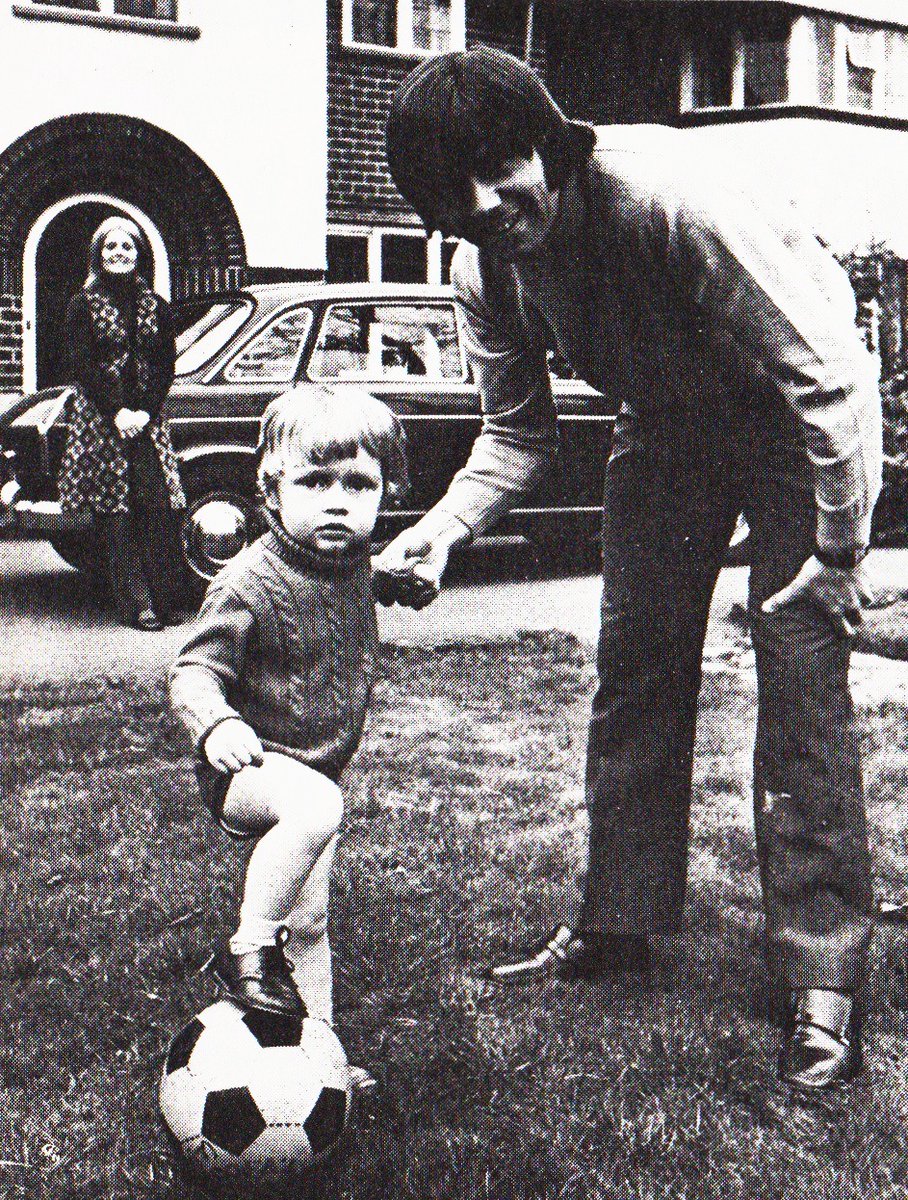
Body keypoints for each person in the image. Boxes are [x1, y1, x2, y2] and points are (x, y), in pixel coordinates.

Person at [375, 47, 883, 1092]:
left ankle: (821, 975)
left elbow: (833, 387)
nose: (483, 205)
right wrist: (443, 528)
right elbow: (514, 432)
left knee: (798, 681)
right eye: (450, 195)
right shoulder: (482, 267)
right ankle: (616, 925)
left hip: (791, 426)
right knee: (634, 666)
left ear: (545, 143)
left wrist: (836, 557)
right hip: (664, 429)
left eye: (498, 168)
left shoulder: (671, 199)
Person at [169, 385, 407, 1070]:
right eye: (314, 482)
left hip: (314, 776)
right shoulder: (247, 582)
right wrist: (215, 725)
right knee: (316, 807)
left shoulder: (349, 562)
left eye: (359, 484)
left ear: (384, 494)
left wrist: (402, 582)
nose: (338, 501)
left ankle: (318, 1057)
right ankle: (248, 947)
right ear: (271, 492)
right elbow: (192, 670)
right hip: (247, 775)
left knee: (312, 923)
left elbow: (357, 580)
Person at [58, 215, 186, 630]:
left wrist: (145, 410)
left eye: (126, 247)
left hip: (147, 419)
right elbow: (82, 363)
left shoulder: (157, 306)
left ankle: (164, 597)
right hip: (101, 419)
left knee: (156, 503)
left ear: (138, 255)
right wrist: (118, 411)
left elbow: (166, 364)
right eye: (110, 247)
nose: (119, 254)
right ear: (99, 255)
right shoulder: (84, 304)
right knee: (117, 511)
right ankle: (138, 604)